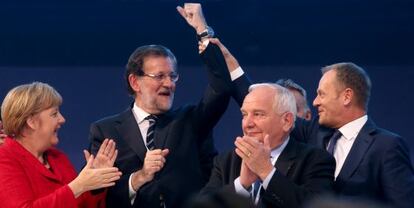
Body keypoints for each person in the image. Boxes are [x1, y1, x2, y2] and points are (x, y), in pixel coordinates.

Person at [209, 40, 414, 208]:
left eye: (321, 94)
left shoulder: (387, 146)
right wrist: (232, 66)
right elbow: (267, 108)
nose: (315, 102)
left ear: (346, 97)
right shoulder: (315, 132)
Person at [88, 3, 232, 207]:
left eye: (173, 76)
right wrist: (140, 177)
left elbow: (222, 88)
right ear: (135, 82)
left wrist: (203, 30)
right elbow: (99, 196)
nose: (169, 83)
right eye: (159, 76)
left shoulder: (191, 121)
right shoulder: (105, 131)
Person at [201, 83, 335, 208]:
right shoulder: (227, 161)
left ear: (286, 121)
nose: (247, 124)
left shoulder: (315, 160)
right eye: (244, 114)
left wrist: (266, 172)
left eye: (258, 114)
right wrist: (242, 185)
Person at [0, 82, 122, 208]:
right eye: (54, 114)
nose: (62, 119)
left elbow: (83, 204)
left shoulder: (58, 158)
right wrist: (77, 186)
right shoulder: (4, 159)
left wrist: (95, 182)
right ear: (31, 121)